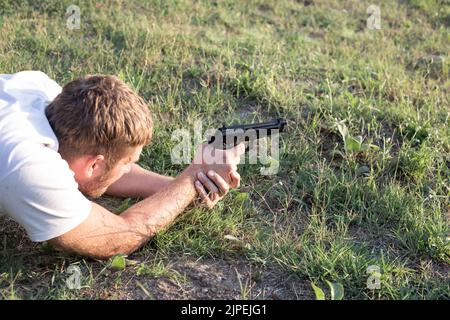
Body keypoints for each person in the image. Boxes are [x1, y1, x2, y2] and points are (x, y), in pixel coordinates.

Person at [0, 71, 244, 259]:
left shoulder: (35, 88)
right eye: (128, 163)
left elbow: (103, 174)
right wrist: (194, 175)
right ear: (94, 164)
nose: (128, 169)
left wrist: (185, 189)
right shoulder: (29, 168)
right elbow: (116, 236)